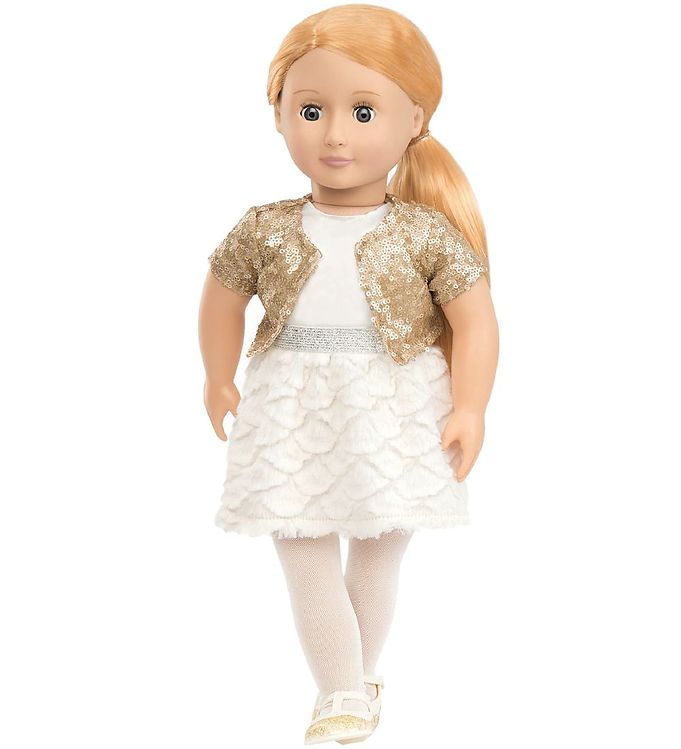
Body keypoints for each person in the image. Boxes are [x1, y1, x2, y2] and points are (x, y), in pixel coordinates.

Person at [198, 4, 499, 744]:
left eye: (363, 112)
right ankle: (345, 689)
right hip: (289, 405)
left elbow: (475, 321)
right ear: (278, 114)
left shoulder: (425, 232)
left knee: (377, 544)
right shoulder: (263, 227)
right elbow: (221, 301)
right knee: (301, 548)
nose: (335, 134)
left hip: (396, 404)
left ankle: (346, 690)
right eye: (311, 110)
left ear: (414, 119)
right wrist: (217, 376)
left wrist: (469, 406)